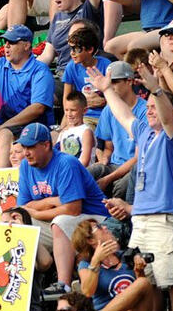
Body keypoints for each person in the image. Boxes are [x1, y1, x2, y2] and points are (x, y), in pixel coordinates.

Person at [91, 61, 173, 311]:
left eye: (153, 107)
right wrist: (107, 90)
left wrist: (157, 90)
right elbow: (124, 115)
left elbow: (167, 117)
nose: (148, 111)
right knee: (151, 281)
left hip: (168, 219)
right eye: (146, 107)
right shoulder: (145, 132)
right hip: (142, 220)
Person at [15, 122, 110, 293]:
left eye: (31, 146)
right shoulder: (25, 166)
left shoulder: (66, 163)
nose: (26, 152)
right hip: (60, 219)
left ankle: (63, 285)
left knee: (60, 221)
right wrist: (51, 201)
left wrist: (37, 211)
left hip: (95, 218)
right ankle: (25, 287)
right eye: (23, 147)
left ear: (46, 145)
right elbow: (23, 206)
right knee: (15, 223)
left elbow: (73, 209)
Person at [0, 26, 56, 170]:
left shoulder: (40, 70)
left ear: (27, 45)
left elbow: (37, 108)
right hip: (2, 128)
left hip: (34, 130)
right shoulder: (0, 64)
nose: (6, 46)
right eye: (5, 42)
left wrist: (3, 126)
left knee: (4, 135)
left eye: (12, 42)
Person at [90, 61, 147, 199]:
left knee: (121, 187)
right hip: (114, 164)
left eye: (114, 82)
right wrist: (103, 158)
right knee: (91, 171)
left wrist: (108, 178)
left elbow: (138, 158)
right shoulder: (108, 110)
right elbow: (109, 147)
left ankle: (119, 218)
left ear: (129, 81)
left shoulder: (145, 111)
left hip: (136, 167)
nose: (110, 86)